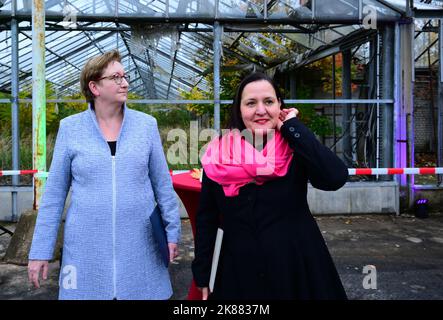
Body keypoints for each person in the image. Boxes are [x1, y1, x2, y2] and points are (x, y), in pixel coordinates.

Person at [28, 50, 181, 300]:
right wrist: (40, 251)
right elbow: (54, 197)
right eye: (116, 77)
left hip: (141, 247)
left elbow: (163, 186)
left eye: (125, 76)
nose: (125, 82)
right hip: (85, 251)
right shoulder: (70, 129)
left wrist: (172, 233)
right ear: (95, 87)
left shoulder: (146, 126)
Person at [192, 72, 348, 300]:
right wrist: (203, 274)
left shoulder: (296, 146)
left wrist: (294, 127)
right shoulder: (217, 156)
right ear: (239, 110)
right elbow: (207, 220)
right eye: (251, 103)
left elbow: (335, 177)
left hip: (298, 269)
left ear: (280, 106)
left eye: (268, 102)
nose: (261, 110)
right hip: (239, 274)